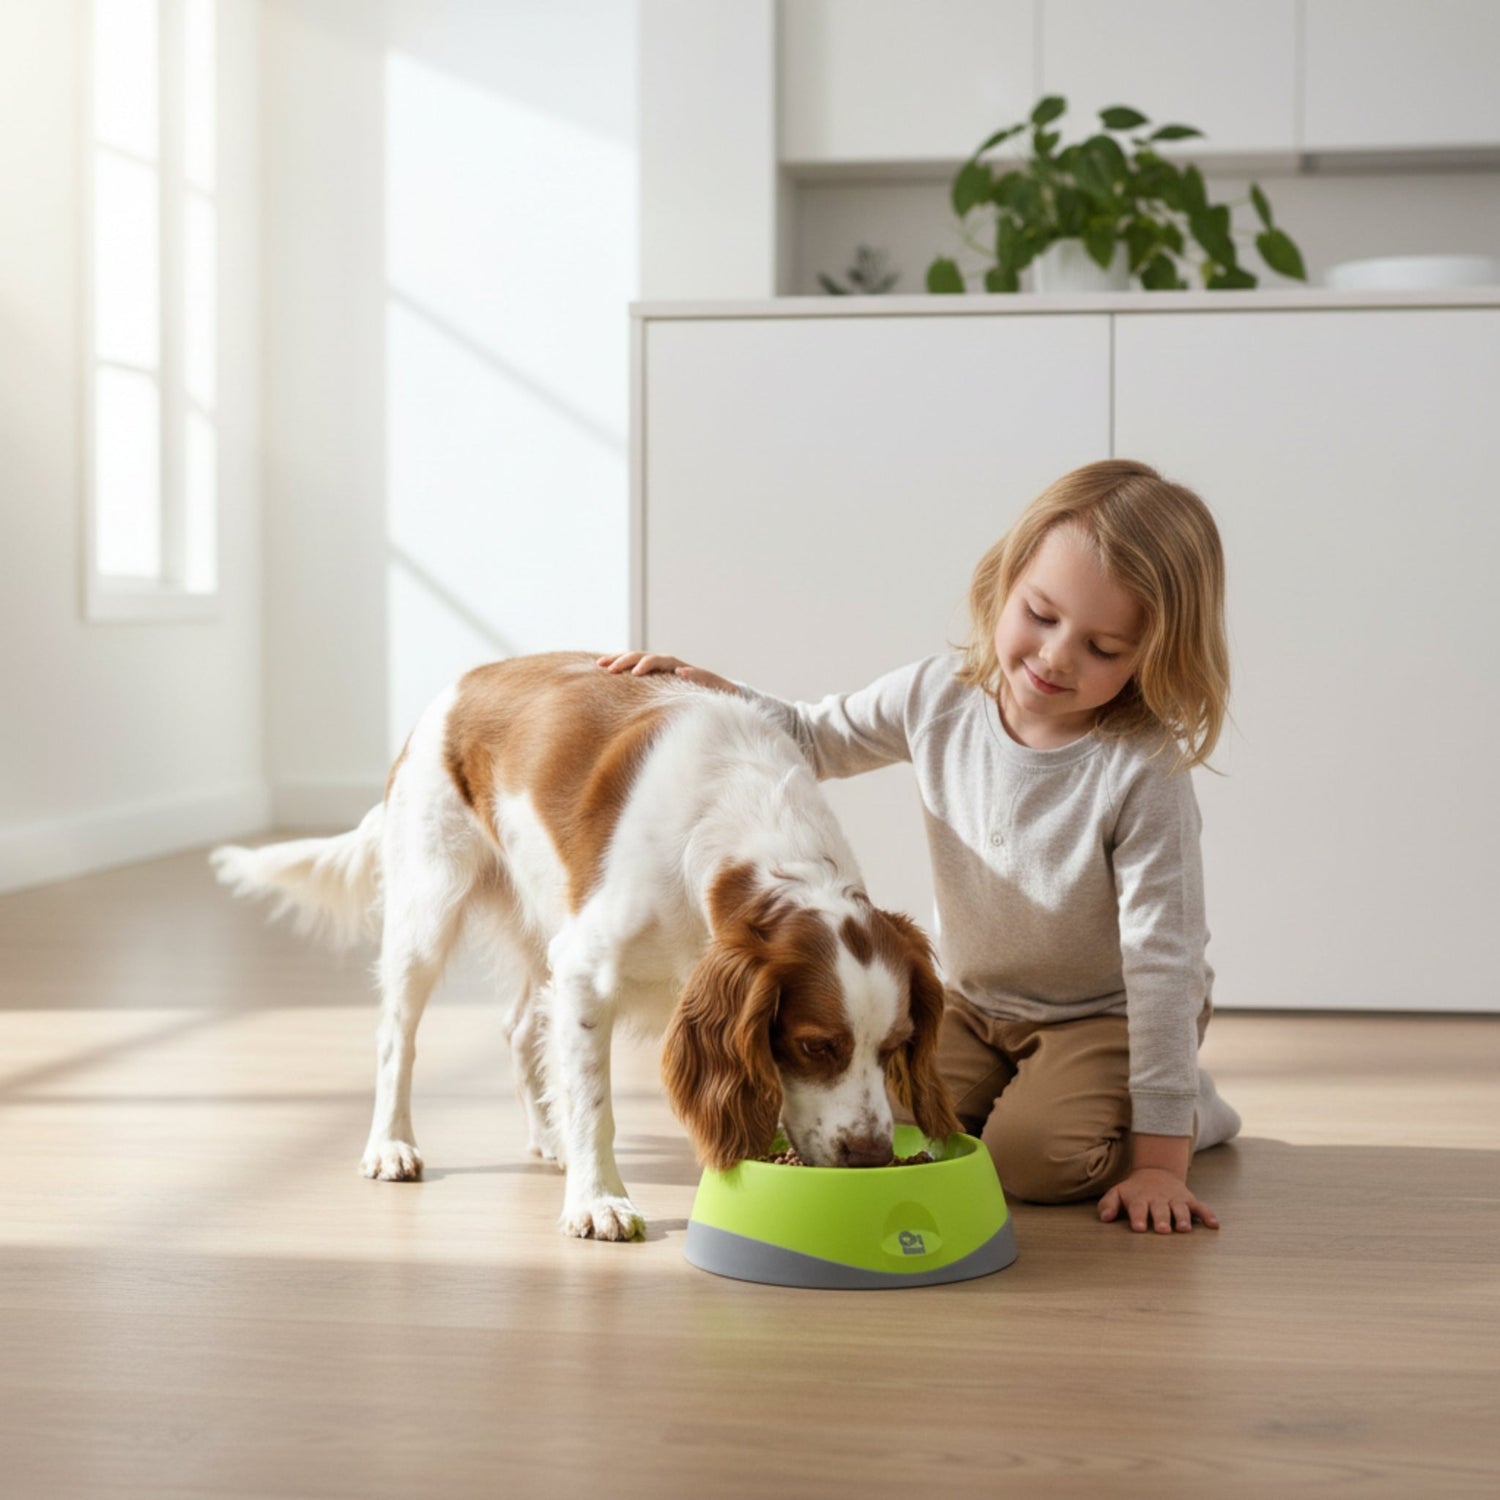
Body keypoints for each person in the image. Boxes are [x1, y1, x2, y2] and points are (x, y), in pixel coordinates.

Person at [600, 458, 1242, 1235]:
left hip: (1103, 1017)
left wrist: (1158, 1164)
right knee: (892, 1123)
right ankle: (1042, 1089)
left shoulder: (1144, 771)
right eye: (1040, 614)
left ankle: (1182, 1107)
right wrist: (717, 692)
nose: (1056, 656)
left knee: (1032, 1161)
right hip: (977, 1005)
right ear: (1005, 582)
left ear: (1155, 656)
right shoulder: (940, 695)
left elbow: (1164, 963)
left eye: (1104, 648)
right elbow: (812, 736)